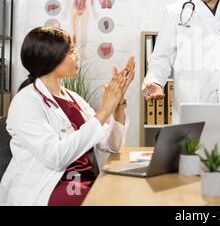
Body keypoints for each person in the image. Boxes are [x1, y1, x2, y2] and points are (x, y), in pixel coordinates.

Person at [0, 27, 135, 206]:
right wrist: (104, 110)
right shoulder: (25, 102)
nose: (77, 56)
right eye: (71, 51)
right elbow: (56, 158)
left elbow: (111, 145)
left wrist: (118, 106)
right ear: (52, 58)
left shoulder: (74, 98)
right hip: (51, 187)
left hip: (85, 179)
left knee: (130, 193)